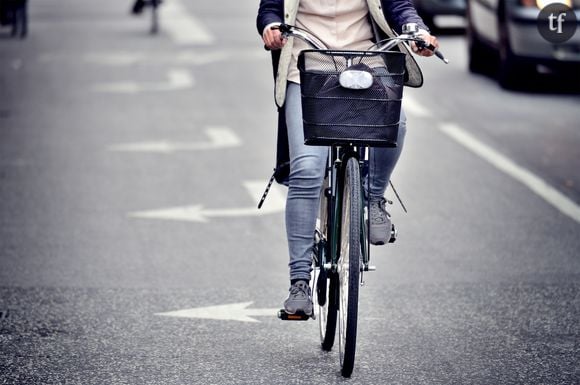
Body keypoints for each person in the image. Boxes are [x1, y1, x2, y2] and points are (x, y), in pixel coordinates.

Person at [256, 0, 439, 316]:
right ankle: (299, 283)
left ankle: (372, 198)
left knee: (397, 124)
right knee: (307, 169)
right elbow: (270, 9)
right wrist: (270, 27)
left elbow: (399, 6)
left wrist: (416, 30)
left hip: (365, 61)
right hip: (307, 67)